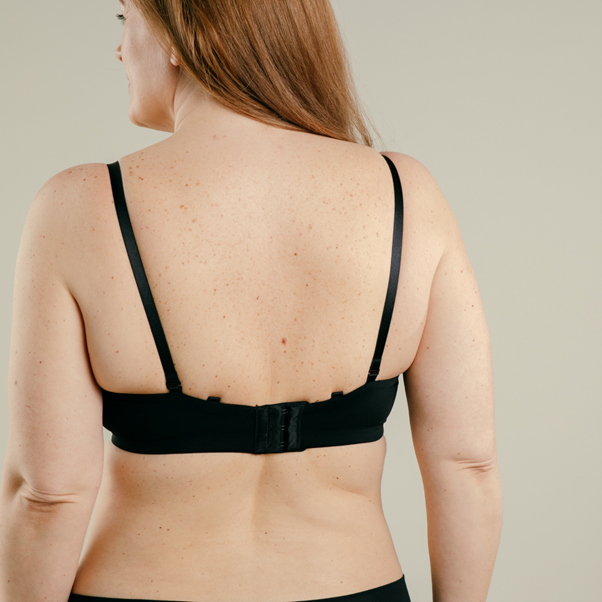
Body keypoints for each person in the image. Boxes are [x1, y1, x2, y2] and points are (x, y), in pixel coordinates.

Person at [0, 0, 503, 600]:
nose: (118, 49)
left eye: (124, 19)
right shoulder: (406, 194)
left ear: (177, 33)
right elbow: (467, 464)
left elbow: (47, 495)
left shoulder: (80, 206)